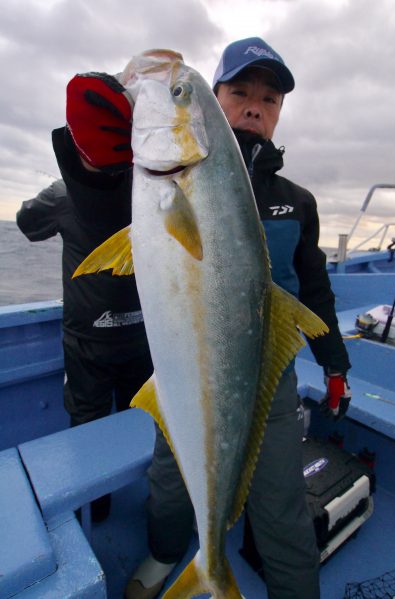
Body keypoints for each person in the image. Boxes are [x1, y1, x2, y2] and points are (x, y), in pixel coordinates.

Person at [62, 37, 351, 598]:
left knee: (282, 505)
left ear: (279, 113)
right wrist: (92, 165)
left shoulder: (297, 199)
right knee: (169, 485)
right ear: (215, 100)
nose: (253, 106)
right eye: (239, 91)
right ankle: (171, 553)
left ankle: (277, 583)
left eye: (268, 99)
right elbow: (99, 206)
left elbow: (315, 290)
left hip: (270, 374)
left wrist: (334, 365)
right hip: (184, 373)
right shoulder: (155, 178)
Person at [16, 142, 153, 522]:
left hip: (87, 342)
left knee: (86, 426)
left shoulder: (63, 194)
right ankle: (147, 500)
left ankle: (96, 511)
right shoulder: (148, 195)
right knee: (139, 421)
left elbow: (27, 223)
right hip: (143, 337)